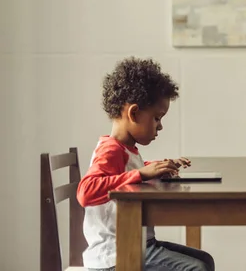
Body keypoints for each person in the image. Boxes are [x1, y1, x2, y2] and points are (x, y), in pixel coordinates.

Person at [77, 57, 215, 271]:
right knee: (197, 268)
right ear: (133, 113)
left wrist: (158, 168)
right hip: (115, 254)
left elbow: (127, 172)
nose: (160, 127)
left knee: (205, 260)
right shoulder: (111, 150)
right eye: (157, 118)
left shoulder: (125, 149)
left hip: (136, 244)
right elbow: (86, 191)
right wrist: (142, 174)